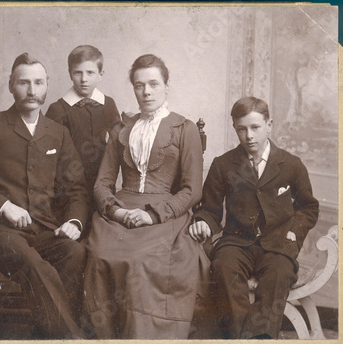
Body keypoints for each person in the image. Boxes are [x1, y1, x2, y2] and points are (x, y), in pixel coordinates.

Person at [0, 53, 89, 339]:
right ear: (11, 86)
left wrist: (74, 222)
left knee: (75, 253)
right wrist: (4, 206)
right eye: (23, 82)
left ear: (47, 86)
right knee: (33, 263)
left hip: (44, 230)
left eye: (38, 82)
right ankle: (72, 339)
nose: (32, 90)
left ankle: (47, 335)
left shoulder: (58, 133)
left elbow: (77, 189)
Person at [83, 54, 204, 339]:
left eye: (153, 84)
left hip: (164, 214)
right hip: (120, 212)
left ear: (166, 86)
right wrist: (117, 212)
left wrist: (152, 214)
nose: (146, 92)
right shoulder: (122, 128)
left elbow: (192, 189)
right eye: (139, 85)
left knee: (140, 261)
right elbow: (102, 183)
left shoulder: (184, 129)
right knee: (99, 255)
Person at [189, 96, 319, 339]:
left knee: (279, 274)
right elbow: (210, 208)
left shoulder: (291, 164)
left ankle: (259, 339)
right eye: (241, 129)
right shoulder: (223, 164)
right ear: (235, 129)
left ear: (269, 124)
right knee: (224, 268)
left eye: (255, 127)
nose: (249, 136)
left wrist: (293, 232)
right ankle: (242, 338)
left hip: (279, 243)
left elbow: (308, 208)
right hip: (236, 242)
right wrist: (204, 221)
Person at [46, 45, 120, 231]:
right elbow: (51, 156)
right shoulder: (58, 110)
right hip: (68, 189)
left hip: (102, 185)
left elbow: (116, 146)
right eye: (78, 73)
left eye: (90, 73)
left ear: (101, 74)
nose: (84, 79)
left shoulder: (108, 105)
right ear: (70, 74)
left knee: (102, 232)